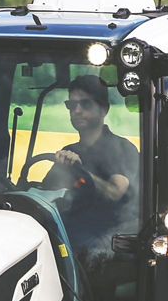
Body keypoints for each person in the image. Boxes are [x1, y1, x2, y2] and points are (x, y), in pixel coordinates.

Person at [46, 75, 140, 254]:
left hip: (109, 237)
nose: (77, 110)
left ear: (104, 109)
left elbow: (115, 192)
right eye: (72, 105)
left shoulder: (122, 148)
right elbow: (47, 192)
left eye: (86, 104)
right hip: (69, 229)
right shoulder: (69, 151)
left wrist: (80, 170)